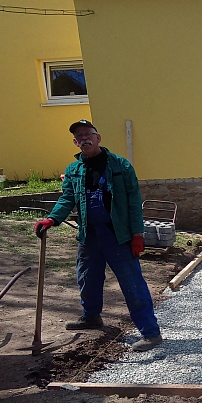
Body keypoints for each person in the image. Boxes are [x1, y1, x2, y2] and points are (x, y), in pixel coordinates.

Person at [34, 120, 163, 352]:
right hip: (89, 235)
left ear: (98, 137)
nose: (84, 138)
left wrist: (137, 234)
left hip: (117, 236)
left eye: (88, 134)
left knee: (132, 284)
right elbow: (67, 198)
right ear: (75, 142)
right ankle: (91, 316)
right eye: (79, 136)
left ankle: (151, 333)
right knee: (87, 278)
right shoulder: (73, 170)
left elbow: (134, 202)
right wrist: (52, 219)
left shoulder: (121, 166)